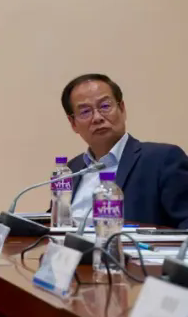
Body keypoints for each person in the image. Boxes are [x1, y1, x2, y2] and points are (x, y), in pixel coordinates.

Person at [62, 73, 188, 228]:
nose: (97, 118)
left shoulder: (162, 160)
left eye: (105, 106)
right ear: (73, 123)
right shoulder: (72, 169)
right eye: (85, 112)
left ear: (122, 109)